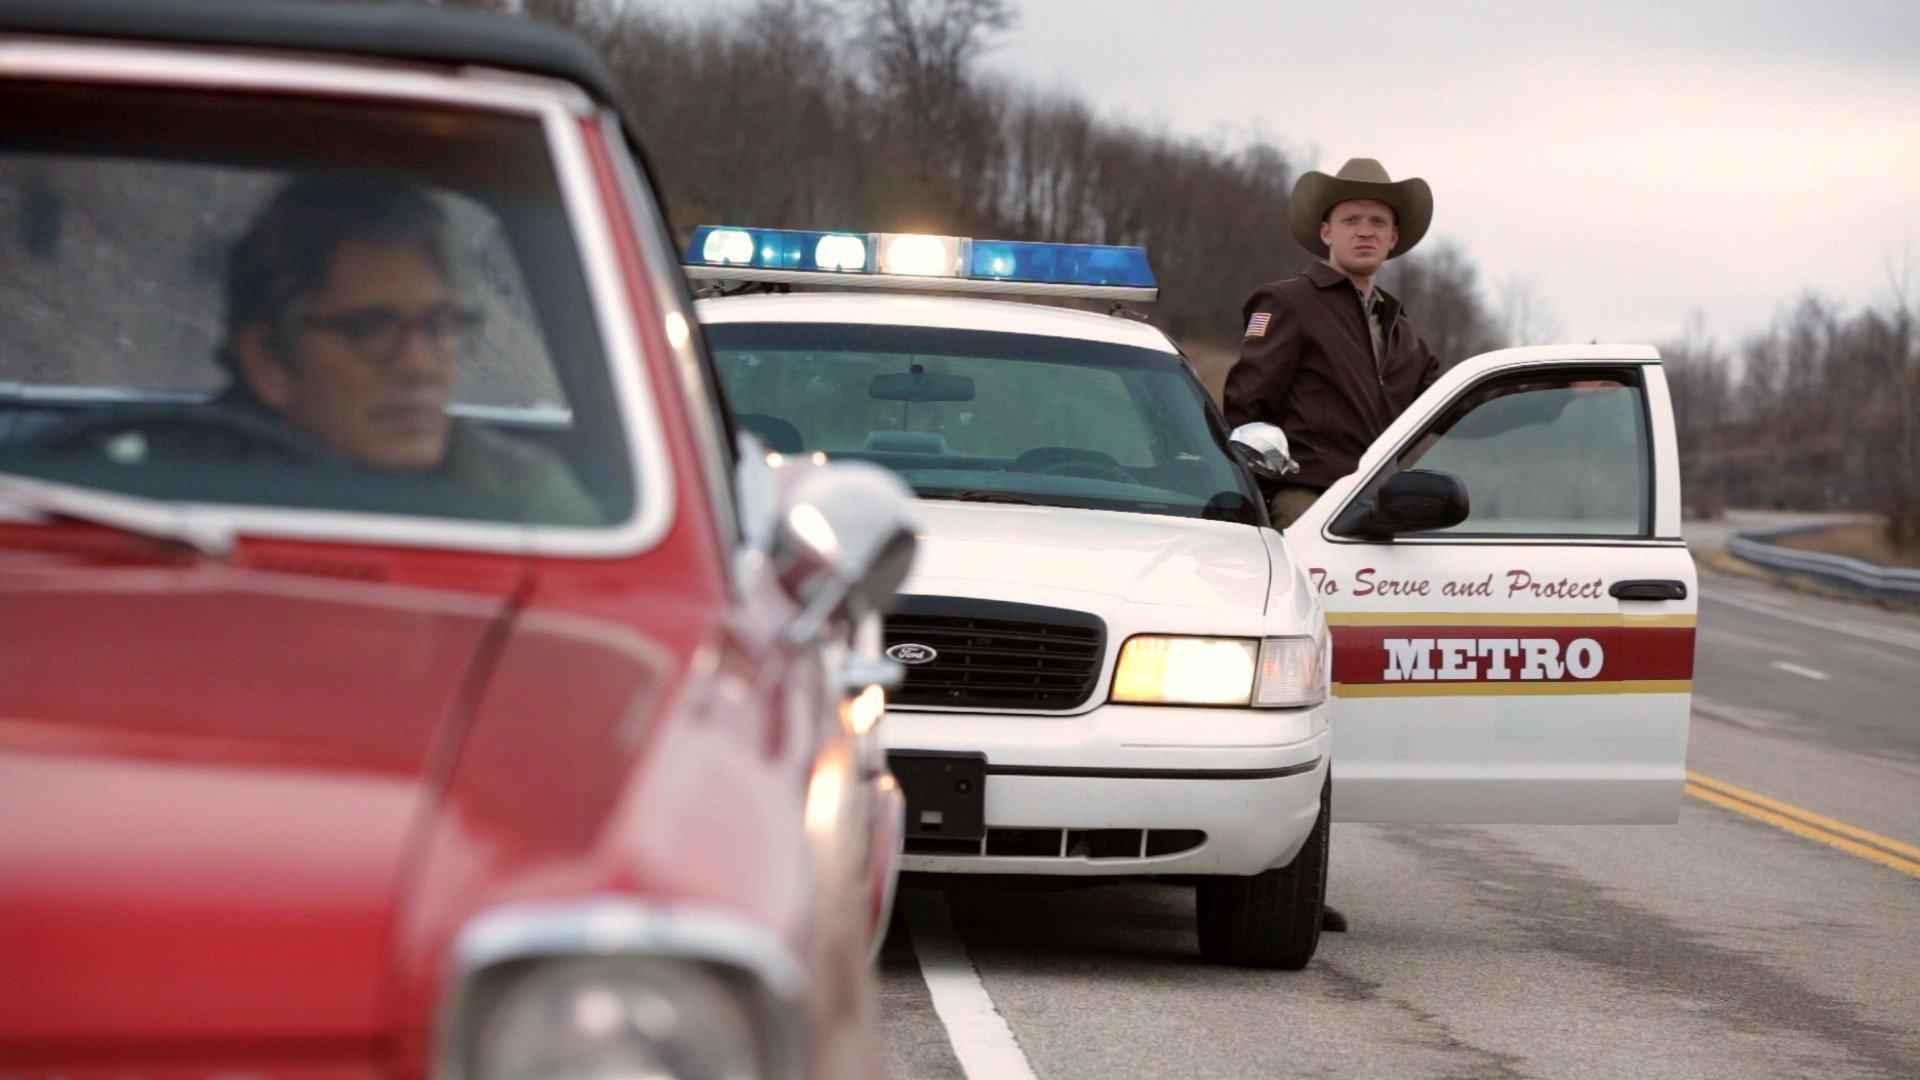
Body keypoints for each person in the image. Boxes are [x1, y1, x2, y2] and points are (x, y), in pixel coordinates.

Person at [218, 174, 602, 524]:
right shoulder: (182, 494)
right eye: (371, 329)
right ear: (268, 360)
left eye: (441, 324)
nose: (419, 366)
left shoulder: (523, 499)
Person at [1224, 158, 1442, 529]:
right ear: (1326, 232)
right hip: (1306, 501)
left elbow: (1460, 402)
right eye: (1351, 220)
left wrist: (1553, 386)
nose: (1365, 231)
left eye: (1378, 222)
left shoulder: (1399, 330)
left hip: (1377, 504)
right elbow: (1244, 410)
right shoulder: (1288, 302)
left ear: (1393, 238)